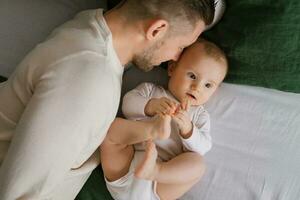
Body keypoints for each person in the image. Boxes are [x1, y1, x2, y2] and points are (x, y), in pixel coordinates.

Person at [0, 0, 215, 199]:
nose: (177, 57)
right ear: (156, 30)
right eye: (180, 47)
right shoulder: (88, 85)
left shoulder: (91, 23)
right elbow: (18, 193)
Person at [100, 38, 228, 200]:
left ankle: (154, 169)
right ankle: (152, 129)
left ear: (215, 91)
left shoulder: (198, 115)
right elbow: (128, 104)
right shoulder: (151, 91)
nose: (197, 87)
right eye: (192, 76)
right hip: (125, 168)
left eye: (208, 85)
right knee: (111, 129)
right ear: (172, 69)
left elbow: (204, 147)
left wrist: (188, 130)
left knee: (197, 164)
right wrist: (151, 106)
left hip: (157, 185)